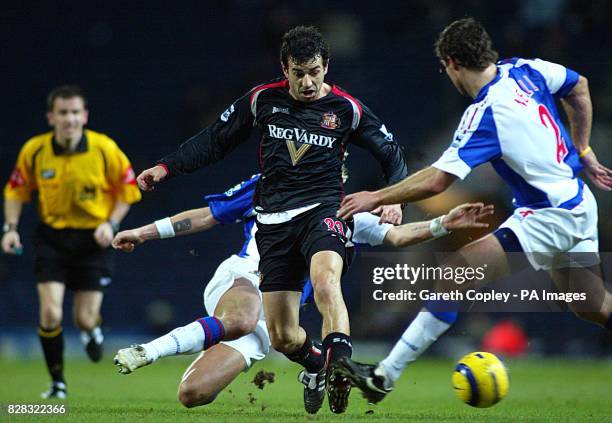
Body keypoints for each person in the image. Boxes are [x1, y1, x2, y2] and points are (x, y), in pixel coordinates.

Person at [134, 26, 409, 414]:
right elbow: (215, 139)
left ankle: (341, 365)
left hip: (322, 211)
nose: (308, 82)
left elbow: (392, 153)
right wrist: (166, 167)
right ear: (285, 69)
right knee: (282, 337)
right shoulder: (263, 100)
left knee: (326, 281)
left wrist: (394, 199)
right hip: (274, 224)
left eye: (315, 71)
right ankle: (318, 365)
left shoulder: (347, 109)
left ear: (326, 66)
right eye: (299, 73)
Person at [336, 17, 612, 403]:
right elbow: (578, 86)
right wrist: (582, 149)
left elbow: (436, 180)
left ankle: (384, 375)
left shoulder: (486, 113)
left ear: (451, 63)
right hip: (578, 202)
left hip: (550, 213)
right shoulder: (526, 69)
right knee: (594, 306)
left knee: (454, 273)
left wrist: (375, 197)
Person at [110, 173, 492, 408]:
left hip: (274, 318)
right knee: (242, 316)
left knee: (193, 394)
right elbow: (207, 215)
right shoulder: (267, 184)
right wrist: (143, 232)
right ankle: (149, 351)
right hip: (242, 277)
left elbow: (398, 234)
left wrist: (443, 222)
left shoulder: (344, 213)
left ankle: (315, 365)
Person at [2, 85, 142, 399]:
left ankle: (92, 330)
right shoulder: (35, 150)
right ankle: (58, 384)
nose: (70, 119)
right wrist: (10, 228)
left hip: (94, 240)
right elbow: (15, 190)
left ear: (85, 115)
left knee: (84, 317)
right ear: (51, 117)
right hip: (52, 239)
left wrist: (111, 222)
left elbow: (129, 190)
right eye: (63, 113)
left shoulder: (104, 148)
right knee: (50, 314)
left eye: (75, 112)